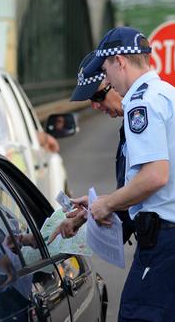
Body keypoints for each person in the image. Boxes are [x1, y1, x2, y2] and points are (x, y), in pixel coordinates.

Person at [66, 27, 175, 322]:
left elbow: (154, 178)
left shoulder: (142, 103)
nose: (107, 79)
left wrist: (106, 204)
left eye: (106, 71)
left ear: (119, 63)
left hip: (169, 244)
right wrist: (100, 206)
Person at [53, 50, 135, 244]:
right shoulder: (130, 124)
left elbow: (150, 184)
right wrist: (92, 210)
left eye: (97, 96)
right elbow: (134, 191)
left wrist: (100, 207)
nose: (95, 106)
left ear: (115, 80)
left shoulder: (145, 120)